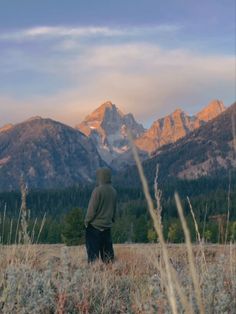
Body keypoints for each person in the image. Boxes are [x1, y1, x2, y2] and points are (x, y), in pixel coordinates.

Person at [84, 167, 117, 263]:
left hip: (94, 228)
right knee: (108, 258)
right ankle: (109, 275)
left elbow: (91, 209)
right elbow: (114, 209)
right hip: (107, 227)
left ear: (100, 177)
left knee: (93, 257)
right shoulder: (113, 191)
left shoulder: (97, 190)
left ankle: (94, 276)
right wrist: (112, 220)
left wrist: (86, 222)